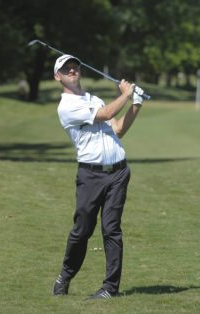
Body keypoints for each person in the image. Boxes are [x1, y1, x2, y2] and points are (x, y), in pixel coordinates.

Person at [52, 54, 144, 299]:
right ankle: (65, 275)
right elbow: (103, 115)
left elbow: (117, 129)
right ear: (57, 76)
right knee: (82, 230)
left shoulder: (94, 98)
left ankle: (109, 289)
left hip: (118, 172)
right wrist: (125, 93)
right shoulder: (67, 106)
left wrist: (135, 104)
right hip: (90, 176)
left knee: (111, 229)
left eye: (75, 67)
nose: (72, 71)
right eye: (66, 69)